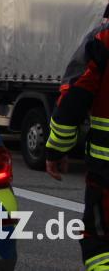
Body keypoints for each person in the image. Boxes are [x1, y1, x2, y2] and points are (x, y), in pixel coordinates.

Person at [46, 20, 109, 270]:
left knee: (101, 246)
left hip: (106, 173)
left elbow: (75, 97)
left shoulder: (103, 39)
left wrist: (56, 149)